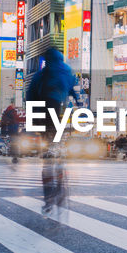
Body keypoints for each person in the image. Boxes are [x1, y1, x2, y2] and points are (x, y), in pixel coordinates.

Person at [26, 47, 78, 215]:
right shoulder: (66, 71)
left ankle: (48, 197)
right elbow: (73, 89)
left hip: (42, 116)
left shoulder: (40, 75)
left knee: (47, 160)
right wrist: (78, 103)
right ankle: (61, 176)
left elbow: (30, 96)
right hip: (59, 115)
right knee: (58, 147)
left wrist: (32, 121)